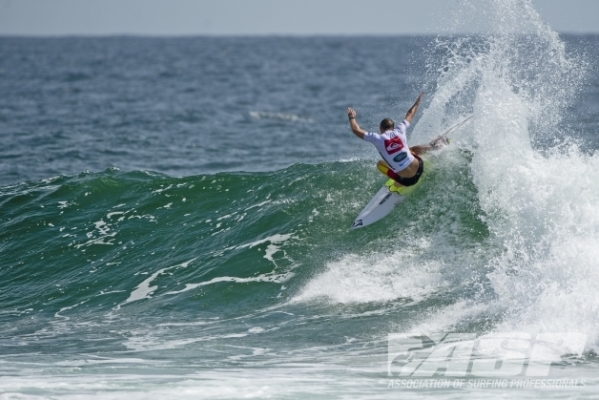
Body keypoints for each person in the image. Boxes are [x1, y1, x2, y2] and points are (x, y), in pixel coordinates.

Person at [347, 92, 444, 187]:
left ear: (381, 129)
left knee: (380, 164)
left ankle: (397, 183)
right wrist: (418, 101)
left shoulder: (377, 139)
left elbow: (356, 129)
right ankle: (433, 146)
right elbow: (410, 113)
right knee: (411, 150)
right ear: (393, 127)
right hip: (420, 168)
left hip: (407, 182)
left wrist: (352, 116)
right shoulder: (400, 129)